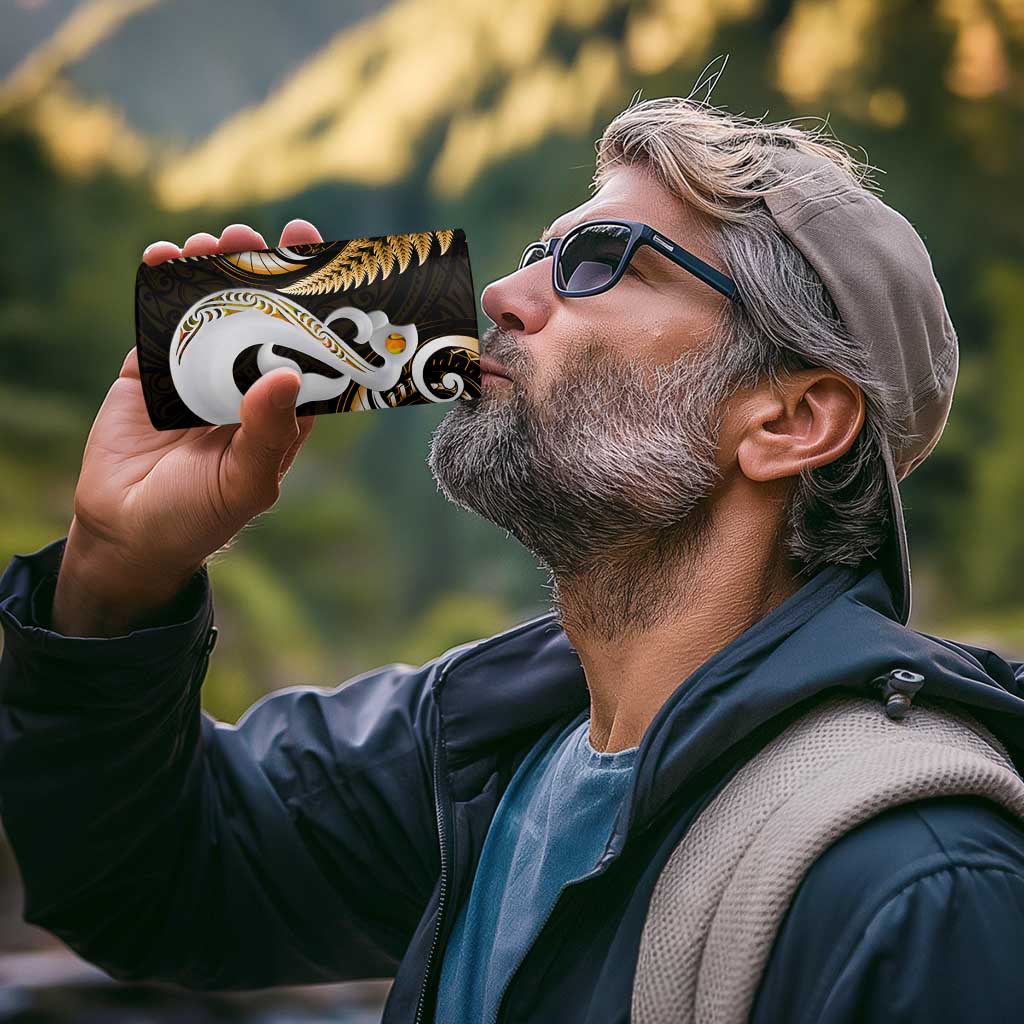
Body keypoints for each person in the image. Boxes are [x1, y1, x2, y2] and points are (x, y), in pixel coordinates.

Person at [2, 94, 1024, 1024]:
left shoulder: (918, 884)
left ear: (790, 419)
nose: (500, 291)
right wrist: (116, 570)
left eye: (599, 261)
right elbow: (148, 880)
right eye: (540, 251)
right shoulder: (480, 748)